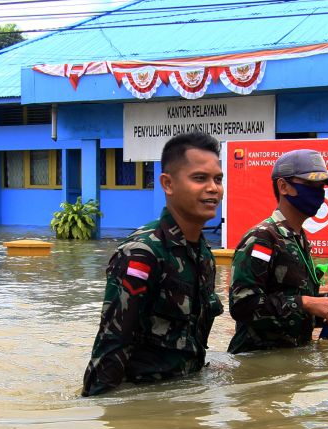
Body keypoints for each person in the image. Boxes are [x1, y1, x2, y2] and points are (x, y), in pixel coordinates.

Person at [81, 132, 225, 396]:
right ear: (167, 184)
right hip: (141, 405)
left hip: (185, 403)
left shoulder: (203, 254)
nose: (213, 188)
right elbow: (112, 345)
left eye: (218, 179)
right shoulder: (142, 253)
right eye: (200, 178)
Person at [227, 148, 328, 354]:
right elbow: (242, 305)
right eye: (311, 185)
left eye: (322, 186)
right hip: (257, 363)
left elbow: (292, 299)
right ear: (283, 186)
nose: (319, 193)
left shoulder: (298, 238)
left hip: (292, 360)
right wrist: (304, 303)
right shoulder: (262, 238)